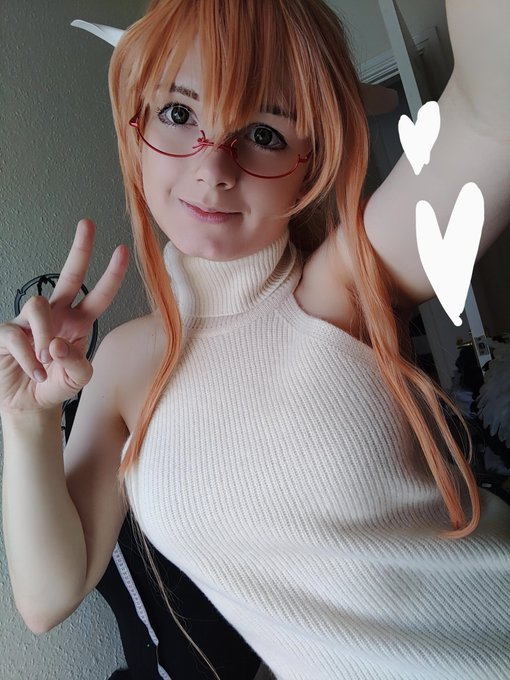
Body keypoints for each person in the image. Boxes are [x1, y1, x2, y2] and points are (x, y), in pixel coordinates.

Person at [2, 0, 510, 678]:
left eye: (264, 132)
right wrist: (26, 417)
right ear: (136, 126)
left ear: (310, 160)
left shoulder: (342, 288)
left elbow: (492, 117)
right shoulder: (124, 363)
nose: (214, 166)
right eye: (179, 113)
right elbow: (46, 599)